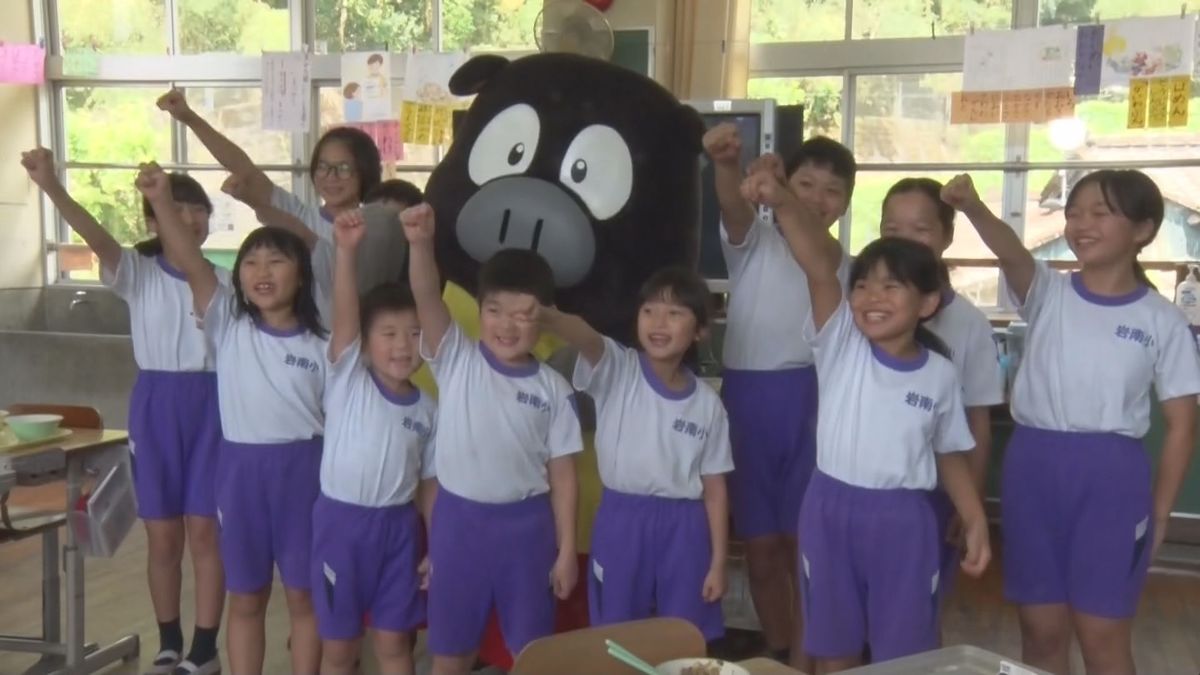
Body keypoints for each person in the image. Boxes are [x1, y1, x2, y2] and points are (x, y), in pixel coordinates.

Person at [942, 171, 1200, 675]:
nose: (1082, 224)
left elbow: (1182, 426)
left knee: (1102, 635)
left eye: (1101, 213)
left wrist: (1163, 511)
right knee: (1040, 633)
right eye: (1074, 212)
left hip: (1111, 479)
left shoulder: (1161, 320)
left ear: (1143, 230)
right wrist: (972, 206)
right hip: (1033, 468)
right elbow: (1012, 253)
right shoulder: (1048, 294)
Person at [742, 156, 990, 674]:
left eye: (891, 287)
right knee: (835, 645)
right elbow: (816, 265)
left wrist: (974, 518)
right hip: (829, 510)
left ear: (926, 303)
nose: (872, 297)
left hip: (905, 519)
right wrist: (783, 199)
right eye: (863, 285)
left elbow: (949, 454)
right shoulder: (841, 343)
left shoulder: (939, 372)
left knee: (904, 652)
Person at [21, 149, 226, 675]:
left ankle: (205, 647)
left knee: (204, 532)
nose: (190, 218)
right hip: (156, 406)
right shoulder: (136, 272)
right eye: (176, 209)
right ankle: (168, 640)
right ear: (152, 220)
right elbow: (93, 234)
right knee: (163, 535)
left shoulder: (226, 280)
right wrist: (50, 185)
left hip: (216, 406)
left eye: (197, 208)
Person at [135, 161, 328, 675]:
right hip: (240, 478)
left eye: (276, 261)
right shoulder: (227, 324)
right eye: (251, 263)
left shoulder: (322, 344)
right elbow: (189, 260)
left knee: (305, 600)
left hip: (305, 478)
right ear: (237, 276)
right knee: (246, 599)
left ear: (301, 274)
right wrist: (159, 200)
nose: (262, 272)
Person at [402, 203, 581, 675]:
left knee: (529, 653)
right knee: (451, 651)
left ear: (543, 318)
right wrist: (420, 244)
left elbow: (563, 478)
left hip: (527, 530)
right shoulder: (457, 358)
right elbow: (425, 295)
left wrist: (565, 551)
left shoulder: (554, 390)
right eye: (495, 310)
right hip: (459, 524)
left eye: (523, 314)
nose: (507, 324)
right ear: (479, 311)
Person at [702, 124, 854, 666]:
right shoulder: (754, 243)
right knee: (762, 549)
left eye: (831, 191)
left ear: (844, 206)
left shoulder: (839, 260)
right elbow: (734, 209)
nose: (816, 199)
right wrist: (726, 163)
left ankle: (815, 655)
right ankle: (780, 652)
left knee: (803, 547)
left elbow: (812, 243)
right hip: (746, 403)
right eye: (806, 184)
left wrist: (779, 188)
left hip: (811, 402)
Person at [539, 266, 733, 639]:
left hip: (685, 529)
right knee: (616, 633)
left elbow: (715, 490)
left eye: (675, 313)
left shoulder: (708, 405)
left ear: (700, 331)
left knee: (685, 635)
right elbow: (587, 339)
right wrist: (550, 317)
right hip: (621, 522)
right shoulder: (619, 369)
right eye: (649, 311)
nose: (659, 322)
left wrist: (719, 561)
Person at [312, 209, 437, 675]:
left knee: (393, 645)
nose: (403, 345)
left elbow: (430, 485)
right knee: (341, 651)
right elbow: (345, 314)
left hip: (399, 531)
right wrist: (346, 253)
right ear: (364, 344)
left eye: (415, 334)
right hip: (341, 527)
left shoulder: (427, 410)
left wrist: (437, 545)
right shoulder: (350, 379)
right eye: (389, 334)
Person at [878, 177, 1004, 621]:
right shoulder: (862, 312)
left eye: (921, 229)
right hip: (866, 491)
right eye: (892, 230)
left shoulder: (968, 323)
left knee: (913, 617)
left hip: (933, 493)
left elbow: (978, 422)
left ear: (947, 236)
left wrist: (967, 503)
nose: (905, 242)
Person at [157, 88, 381, 249]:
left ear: (364, 171)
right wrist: (189, 118)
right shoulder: (299, 216)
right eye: (323, 167)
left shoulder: (379, 226)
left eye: (343, 168)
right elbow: (244, 168)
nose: (331, 177)